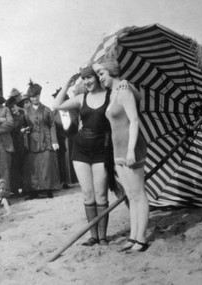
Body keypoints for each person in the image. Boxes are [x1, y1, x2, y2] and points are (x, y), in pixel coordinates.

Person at [93, 58, 150, 252]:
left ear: (112, 72)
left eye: (102, 74)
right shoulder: (113, 93)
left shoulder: (124, 90)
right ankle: (134, 236)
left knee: (138, 194)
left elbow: (134, 121)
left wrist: (131, 150)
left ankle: (141, 238)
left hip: (131, 148)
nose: (100, 78)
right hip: (118, 149)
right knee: (130, 195)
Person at [52, 66, 113, 246]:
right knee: (88, 195)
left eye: (90, 78)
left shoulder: (110, 96)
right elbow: (56, 106)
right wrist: (67, 85)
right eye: (84, 79)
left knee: (101, 195)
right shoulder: (81, 98)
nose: (87, 82)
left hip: (101, 150)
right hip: (80, 151)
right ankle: (93, 236)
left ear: (97, 77)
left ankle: (103, 236)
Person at [22, 80, 60, 199]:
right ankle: (34, 190)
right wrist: (24, 130)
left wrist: (54, 141)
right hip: (32, 141)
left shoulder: (47, 110)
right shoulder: (26, 111)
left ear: (40, 95)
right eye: (32, 97)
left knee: (46, 164)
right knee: (33, 165)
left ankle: (48, 189)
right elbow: (23, 125)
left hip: (46, 139)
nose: (34, 99)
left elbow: (52, 125)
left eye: (36, 96)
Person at [51, 88, 79, 189]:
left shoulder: (75, 112)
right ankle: (63, 181)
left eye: (64, 101)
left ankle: (75, 179)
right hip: (60, 141)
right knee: (61, 161)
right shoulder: (53, 114)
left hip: (73, 141)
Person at [5, 95, 26, 195]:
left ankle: (25, 187)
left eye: (13, 106)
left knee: (24, 165)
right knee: (15, 166)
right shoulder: (10, 118)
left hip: (23, 142)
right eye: (10, 108)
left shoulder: (23, 114)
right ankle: (15, 188)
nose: (13, 109)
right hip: (14, 142)